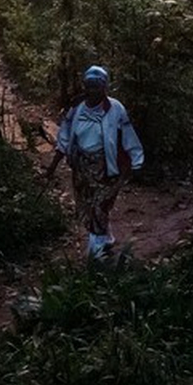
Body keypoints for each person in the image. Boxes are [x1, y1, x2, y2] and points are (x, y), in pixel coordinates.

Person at [45, 64, 144, 260]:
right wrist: (52, 166)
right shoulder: (76, 108)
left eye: (97, 86)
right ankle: (105, 236)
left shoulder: (115, 109)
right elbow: (64, 135)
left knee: (100, 204)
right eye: (89, 86)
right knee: (86, 206)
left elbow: (127, 134)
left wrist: (136, 160)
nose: (93, 91)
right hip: (81, 166)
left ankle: (97, 250)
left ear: (104, 88)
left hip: (106, 167)